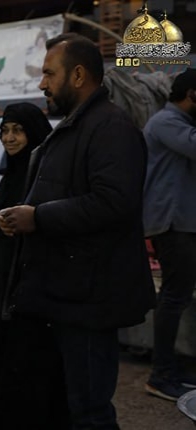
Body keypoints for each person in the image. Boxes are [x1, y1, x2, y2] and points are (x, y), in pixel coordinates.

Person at [0, 33, 155, 428]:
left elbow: (113, 202)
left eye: (50, 73)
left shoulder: (111, 128)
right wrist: (22, 217)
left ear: (78, 75)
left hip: (89, 299)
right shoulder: (74, 128)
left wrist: (38, 217)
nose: (42, 83)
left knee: (90, 411)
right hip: (65, 294)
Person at [0, 103, 53, 428]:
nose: (9, 138)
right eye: (4, 131)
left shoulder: (43, 177)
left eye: (17, 130)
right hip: (4, 289)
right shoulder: (11, 175)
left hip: (31, 292)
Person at [142, 68, 196, 401]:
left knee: (179, 295)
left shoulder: (182, 123)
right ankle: (160, 374)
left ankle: (170, 368)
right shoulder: (165, 122)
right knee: (174, 297)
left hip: (183, 223)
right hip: (172, 224)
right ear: (192, 94)